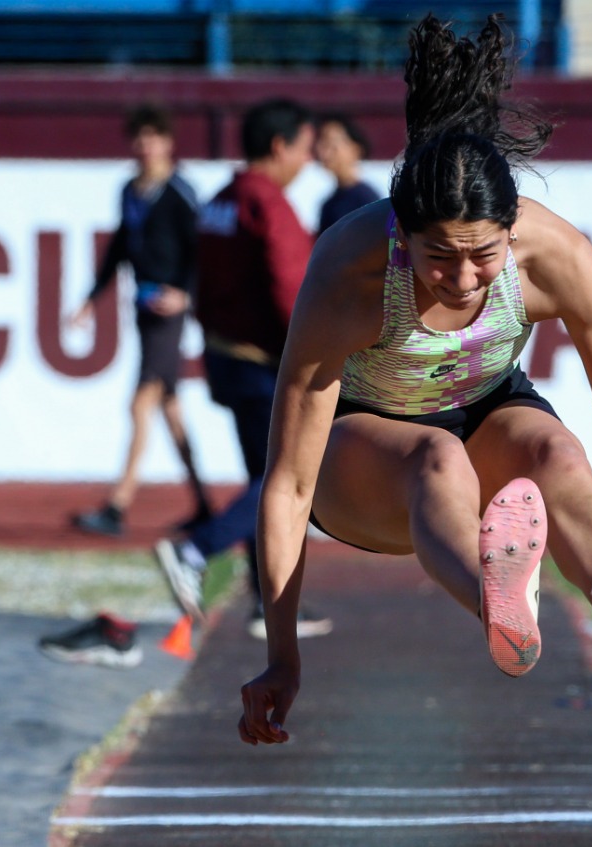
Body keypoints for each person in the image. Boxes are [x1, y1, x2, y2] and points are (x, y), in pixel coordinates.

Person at [235, 14, 592, 748]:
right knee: (438, 459)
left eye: (482, 255)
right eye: (438, 257)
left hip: (485, 417)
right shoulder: (351, 271)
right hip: (362, 464)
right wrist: (282, 655)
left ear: (512, 228)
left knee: (556, 449)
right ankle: (501, 605)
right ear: (402, 231)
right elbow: (290, 482)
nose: (461, 279)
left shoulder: (557, 257)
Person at [153, 98, 331, 639]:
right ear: (279, 146)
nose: (308, 161)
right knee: (286, 480)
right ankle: (193, 548)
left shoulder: (221, 201)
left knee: (264, 477)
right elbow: (289, 287)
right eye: (305, 149)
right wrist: (312, 349)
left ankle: (268, 604)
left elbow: (200, 282)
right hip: (264, 362)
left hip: (224, 356)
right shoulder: (266, 203)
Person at [70, 103, 212, 539]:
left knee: (140, 404)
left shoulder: (181, 192)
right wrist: (93, 298)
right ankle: (205, 505)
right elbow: (119, 248)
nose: (145, 146)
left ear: (168, 141)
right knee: (170, 413)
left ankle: (118, 504)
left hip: (169, 316)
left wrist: (185, 295)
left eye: (153, 137)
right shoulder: (131, 191)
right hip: (142, 310)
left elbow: (203, 249)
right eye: (140, 137)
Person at [314, 112, 381, 235]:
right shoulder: (329, 203)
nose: (323, 152)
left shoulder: (365, 199)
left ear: (355, 149)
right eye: (321, 143)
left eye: (331, 144)